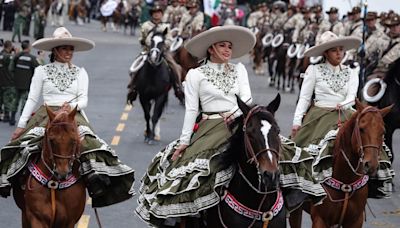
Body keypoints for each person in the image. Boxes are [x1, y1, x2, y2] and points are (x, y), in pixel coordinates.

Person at [0, 27, 135, 208]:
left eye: (71, 49)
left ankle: (93, 180)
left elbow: (84, 99)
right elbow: (32, 99)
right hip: (46, 114)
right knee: (25, 144)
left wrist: (71, 106)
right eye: (64, 48)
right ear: (55, 50)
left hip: (73, 113)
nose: (68, 52)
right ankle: (15, 181)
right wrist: (20, 125)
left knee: (88, 142)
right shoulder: (41, 71)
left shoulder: (81, 72)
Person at [136, 25, 255, 226]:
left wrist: (236, 115)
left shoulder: (240, 69)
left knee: (272, 154)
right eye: (222, 45)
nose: (227, 50)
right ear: (211, 48)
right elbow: (191, 110)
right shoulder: (195, 74)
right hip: (210, 126)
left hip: (239, 122)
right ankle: (193, 215)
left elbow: (247, 99)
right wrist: (184, 141)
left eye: (229, 46)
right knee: (194, 169)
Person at [281, 31, 393, 204]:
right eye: (334, 50)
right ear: (326, 53)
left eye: (341, 50)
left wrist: (345, 103)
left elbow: (352, 95)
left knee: (371, 140)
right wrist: (296, 122)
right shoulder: (314, 70)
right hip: (319, 115)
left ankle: (373, 182)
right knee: (303, 150)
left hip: (346, 113)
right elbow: (304, 98)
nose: (339, 53)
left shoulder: (351, 71)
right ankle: (303, 189)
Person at [128, 2, 183, 103]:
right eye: (154, 13)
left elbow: (169, 39)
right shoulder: (146, 26)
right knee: (135, 67)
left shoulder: (166, 26)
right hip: (148, 51)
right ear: (152, 14)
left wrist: (163, 45)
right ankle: (133, 88)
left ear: (162, 14)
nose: (156, 14)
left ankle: (178, 87)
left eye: (158, 13)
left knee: (176, 67)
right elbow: (141, 38)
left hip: (163, 52)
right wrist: (145, 42)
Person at [9, 40, 40, 125]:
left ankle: (12, 118)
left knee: (15, 101)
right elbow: (39, 69)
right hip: (27, 84)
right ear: (28, 47)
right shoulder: (32, 58)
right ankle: (23, 121)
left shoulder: (17, 56)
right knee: (25, 102)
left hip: (16, 83)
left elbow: (11, 68)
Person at [0, 40, 16, 124]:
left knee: (0, 98)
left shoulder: (1, 54)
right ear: (9, 47)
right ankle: (6, 115)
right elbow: (13, 59)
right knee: (7, 99)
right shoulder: (9, 56)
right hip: (7, 81)